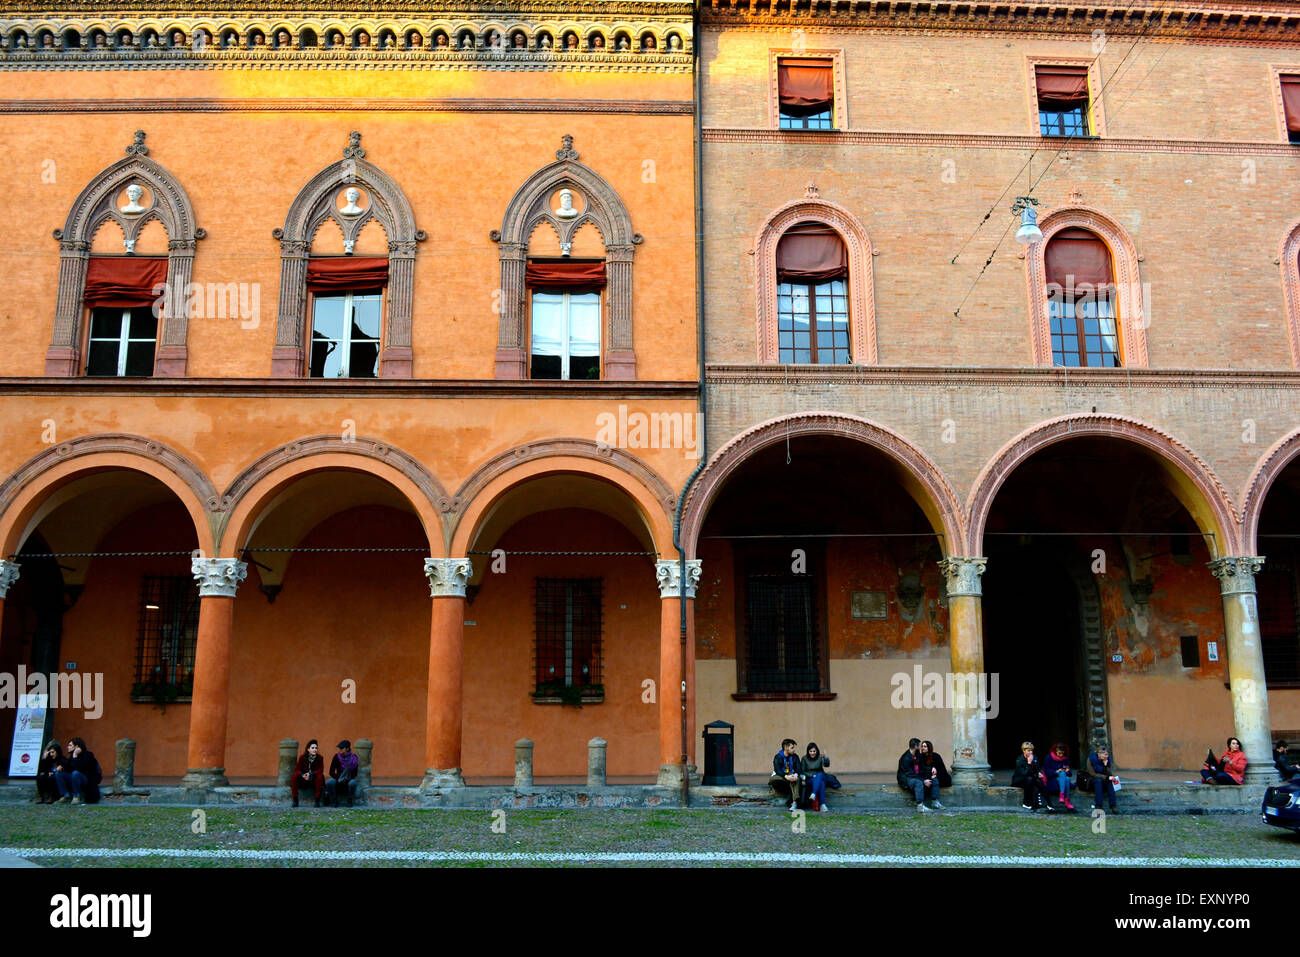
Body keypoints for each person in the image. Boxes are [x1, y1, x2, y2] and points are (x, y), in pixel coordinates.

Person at [898, 737, 942, 811]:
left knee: (933, 779)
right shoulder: (905, 758)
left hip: (917, 775)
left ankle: (935, 802)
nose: (921, 747)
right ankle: (920, 806)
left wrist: (932, 769)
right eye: (919, 745)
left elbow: (924, 766)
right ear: (916, 747)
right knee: (918, 782)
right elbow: (911, 774)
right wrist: (924, 780)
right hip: (906, 778)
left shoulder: (917, 754)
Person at [54, 737, 101, 805]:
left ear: (76, 746)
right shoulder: (72, 756)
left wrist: (75, 757)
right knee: (59, 774)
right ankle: (65, 796)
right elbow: (69, 768)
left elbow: (81, 769)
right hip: (74, 778)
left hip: (86, 779)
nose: (68, 747)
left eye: (70, 745)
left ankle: (76, 796)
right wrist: (62, 767)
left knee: (75, 773)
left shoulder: (88, 754)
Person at [1012, 741, 1054, 812]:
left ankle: (1049, 804)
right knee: (1030, 779)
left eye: (1031, 750)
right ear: (1023, 751)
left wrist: (1039, 773)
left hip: (1031, 779)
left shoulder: (1035, 757)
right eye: (1028, 751)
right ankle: (1026, 802)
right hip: (1019, 780)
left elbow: (1037, 768)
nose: (1030, 752)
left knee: (1038, 781)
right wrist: (1029, 763)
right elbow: (1024, 773)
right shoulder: (1020, 760)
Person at [291, 739, 325, 807]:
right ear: (308, 749)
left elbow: (320, 770)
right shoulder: (302, 757)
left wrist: (311, 773)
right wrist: (302, 775)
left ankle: (317, 800)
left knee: (320, 776)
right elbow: (297, 769)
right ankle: (295, 799)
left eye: (316, 748)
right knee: (294, 777)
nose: (315, 749)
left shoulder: (320, 758)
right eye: (312, 748)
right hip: (303, 779)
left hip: (313, 779)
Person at [325, 740, 359, 807]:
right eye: (339, 748)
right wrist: (339, 778)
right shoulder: (336, 757)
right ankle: (334, 801)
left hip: (349, 779)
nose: (339, 749)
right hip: (338, 779)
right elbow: (331, 772)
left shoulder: (354, 758)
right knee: (329, 782)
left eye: (341, 748)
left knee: (353, 783)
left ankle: (349, 801)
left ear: (347, 748)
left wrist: (347, 779)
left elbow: (355, 773)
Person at [771, 738, 802, 810]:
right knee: (773, 778)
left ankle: (794, 803)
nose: (794, 749)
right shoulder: (778, 757)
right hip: (780, 776)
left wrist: (796, 774)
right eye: (792, 748)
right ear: (785, 747)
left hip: (791, 776)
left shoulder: (795, 756)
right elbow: (777, 770)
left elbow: (799, 768)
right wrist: (786, 776)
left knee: (795, 779)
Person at [1043, 742, 1076, 811]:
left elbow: (1070, 773)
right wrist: (1057, 772)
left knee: (1066, 777)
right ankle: (1066, 800)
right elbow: (1047, 772)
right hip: (1052, 779)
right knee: (1064, 776)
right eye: (1059, 753)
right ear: (1055, 752)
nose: (1061, 755)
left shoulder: (1065, 759)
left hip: (1062, 779)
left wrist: (1067, 771)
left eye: (1062, 753)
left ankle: (1062, 795)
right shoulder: (1049, 757)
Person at [1088, 743, 1119, 812]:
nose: (1106, 756)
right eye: (1105, 754)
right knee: (1098, 781)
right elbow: (1092, 773)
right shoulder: (1091, 759)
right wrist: (1106, 777)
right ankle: (1099, 805)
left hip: (1104, 779)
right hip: (1093, 779)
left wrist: (1105, 766)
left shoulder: (1107, 760)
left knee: (1110, 782)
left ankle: (1113, 805)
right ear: (1099, 754)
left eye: (1107, 754)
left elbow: (1110, 773)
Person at [801, 742, 832, 812]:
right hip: (810, 779)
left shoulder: (820, 757)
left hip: (821, 776)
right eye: (810, 751)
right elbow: (803, 771)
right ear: (808, 751)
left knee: (820, 775)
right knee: (821, 783)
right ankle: (823, 805)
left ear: (817, 751)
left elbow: (826, 765)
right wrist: (812, 775)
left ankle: (814, 794)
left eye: (814, 751)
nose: (812, 753)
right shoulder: (804, 758)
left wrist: (825, 758)